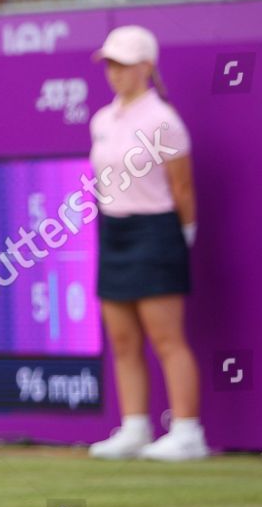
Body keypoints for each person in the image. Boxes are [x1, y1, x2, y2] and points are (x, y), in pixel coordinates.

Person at [86, 25, 206, 462]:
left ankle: (189, 432)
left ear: (146, 67)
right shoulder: (102, 119)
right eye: (110, 64)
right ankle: (135, 427)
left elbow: (183, 188)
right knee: (122, 338)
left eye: (123, 64)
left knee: (167, 338)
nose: (114, 73)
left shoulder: (164, 120)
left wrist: (182, 237)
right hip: (113, 230)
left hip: (157, 230)